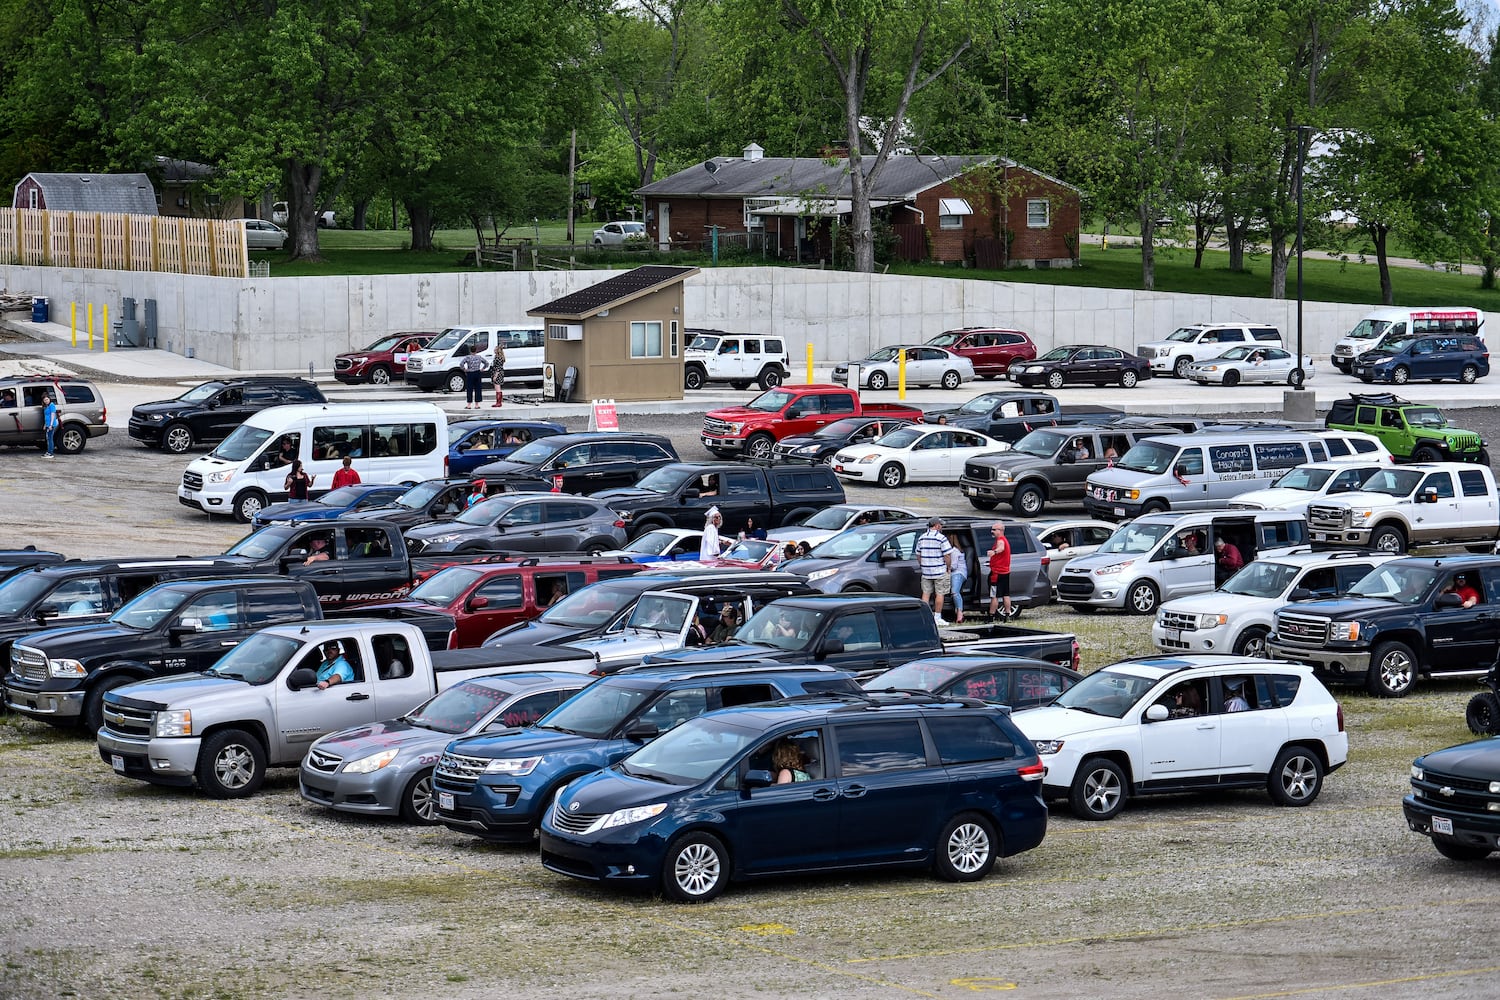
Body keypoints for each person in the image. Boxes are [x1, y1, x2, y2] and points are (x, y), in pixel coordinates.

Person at [915, 517, 955, 621]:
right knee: (940, 594)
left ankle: (925, 617)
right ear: (937, 525)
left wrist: (923, 565)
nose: (941, 527)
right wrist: (949, 567)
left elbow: (918, 555)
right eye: (941, 525)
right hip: (939, 571)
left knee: (926, 594)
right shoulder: (941, 538)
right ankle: (937, 617)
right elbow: (947, 555)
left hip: (926, 571)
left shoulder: (922, 538)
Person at [986, 522, 1014, 619]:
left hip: (996, 573)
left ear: (1000, 530)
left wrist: (994, 552)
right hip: (1005, 572)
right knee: (1006, 594)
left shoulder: (1001, 540)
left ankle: (991, 616)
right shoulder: (1005, 540)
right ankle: (1007, 615)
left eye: (994, 530)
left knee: (994, 595)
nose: (992, 531)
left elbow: (1001, 548)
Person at [945, 533, 969, 624]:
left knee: (955, 591)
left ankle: (960, 613)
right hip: (952, 573)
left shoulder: (954, 551)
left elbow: (953, 566)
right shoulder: (952, 551)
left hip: (958, 573)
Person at [42, 392, 59, 457]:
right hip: (47, 424)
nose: (46, 401)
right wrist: (45, 425)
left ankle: (50, 453)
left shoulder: (52, 405)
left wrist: (51, 425)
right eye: (44, 400)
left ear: (49, 399)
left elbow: (52, 415)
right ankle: (48, 451)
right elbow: (46, 416)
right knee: (48, 438)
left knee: (50, 438)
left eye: (47, 399)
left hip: (51, 425)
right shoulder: (46, 406)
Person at [491, 343, 507, 407]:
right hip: (499, 372)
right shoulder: (500, 357)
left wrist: (495, 375)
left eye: (495, 349)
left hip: (497, 373)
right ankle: (498, 402)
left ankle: (499, 402)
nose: (494, 350)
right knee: (497, 387)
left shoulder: (498, 357)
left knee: (497, 388)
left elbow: (498, 367)